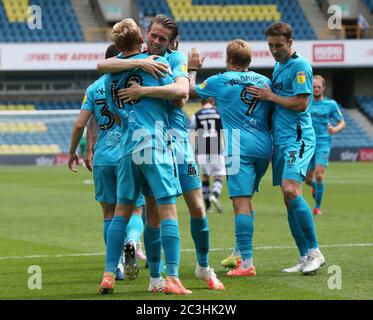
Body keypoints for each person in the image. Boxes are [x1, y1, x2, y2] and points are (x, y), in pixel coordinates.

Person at [98, 14, 224, 291]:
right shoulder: (138, 58)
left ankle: (203, 266)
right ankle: (157, 277)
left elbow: (182, 93)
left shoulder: (174, 59)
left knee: (197, 207)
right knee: (154, 211)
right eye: (152, 35)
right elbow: (103, 63)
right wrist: (139, 63)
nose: (155, 41)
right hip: (154, 141)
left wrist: (144, 91)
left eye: (162, 38)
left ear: (172, 41)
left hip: (177, 141)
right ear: (145, 34)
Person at [189, 40, 273, 277]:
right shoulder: (264, 81)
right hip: (264, 145)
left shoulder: (219, 80)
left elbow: (189, 90)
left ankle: (246, 263)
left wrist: (192, 68)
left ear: (228, 58)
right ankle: (238, 251)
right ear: (250, 60)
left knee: (240, 201)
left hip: (239, 146)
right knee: (247, 199)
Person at [248, 22, 325, 274]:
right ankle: (304, 257)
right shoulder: (279, 66)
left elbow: (302, 104)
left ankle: (315, 252)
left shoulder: (300, 66)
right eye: (270, 46)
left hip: (298, 137)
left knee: (292, 191)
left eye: (279, 45)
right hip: (281, 140)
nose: (274, 50)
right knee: (288, 198)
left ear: (290, 42)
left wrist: (270, 96)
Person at [68, 43, 131, 281]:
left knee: (108, 213)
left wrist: (75, 152)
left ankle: (115, 267)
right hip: (130, 153)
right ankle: (133, 243)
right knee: (134, 209)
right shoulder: (133, 82)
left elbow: (80, 124)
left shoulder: (93, 88)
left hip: (104, 156)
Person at [305, 75, 346, 215]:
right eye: (314, 87)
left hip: (323, 142)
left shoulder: (331, 104)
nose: (316, 89)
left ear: (323, 88)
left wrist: (335, 129)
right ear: (311, 88)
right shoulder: (305, 101)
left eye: (318, 87)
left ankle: (317, 207)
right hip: (308, 143)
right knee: (308, 179)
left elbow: (342, 122)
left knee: (319, 175)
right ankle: (314, 186)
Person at [189, 97, 225, 213]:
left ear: (202, 103)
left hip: (202, 148)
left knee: (204, 177)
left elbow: (192, 133)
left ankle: (208, 206)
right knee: (218, 176)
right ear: (212, 102)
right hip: (216, 146)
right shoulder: (219, 113)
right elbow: (223, 132)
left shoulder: (196, 114)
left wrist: (192, 151)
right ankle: (214, 195)